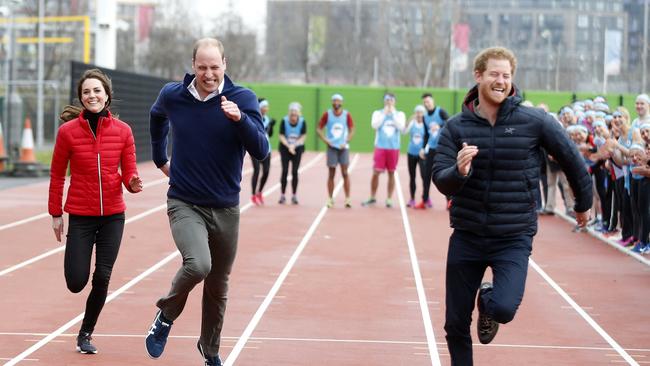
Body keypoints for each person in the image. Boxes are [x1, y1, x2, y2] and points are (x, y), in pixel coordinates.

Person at [432, 47, 592, 366]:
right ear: (478, 76)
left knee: (503, 308)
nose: (501, 81)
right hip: (467, 234)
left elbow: (571, 158)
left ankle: (487, 299)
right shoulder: (456, 127)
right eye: (494, 74)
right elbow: (440, 178)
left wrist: (583, 202)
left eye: (506, 75)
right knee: (455, 324)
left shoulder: (535, 121)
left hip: (513, 236)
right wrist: (459, 172)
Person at [146, 38, 269, 366]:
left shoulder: (242, 99)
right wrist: (160, 158)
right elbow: (156, 117)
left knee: (218, 284)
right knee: (199, 264)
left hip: (226, 208)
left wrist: (240, 119)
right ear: (193, 65)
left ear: (225, 65)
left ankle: (210, 350)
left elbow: (262, 150)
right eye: (202, 67)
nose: (209, 74)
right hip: (185, 202)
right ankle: (165, 316)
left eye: (215, 67)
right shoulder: (173, 95)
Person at [48, 69, 142, 354]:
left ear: (107, 95)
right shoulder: (67, 133)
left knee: (102, 276)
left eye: (97, 91)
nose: (92, 95)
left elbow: (129, 171)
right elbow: (56, 175)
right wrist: (55, 213)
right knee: (76, 282)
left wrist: (133, 183)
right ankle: (82, 309)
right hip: (81, 215)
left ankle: (85, 332)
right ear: (81, 97)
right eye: (87, 91)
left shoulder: (123, 131)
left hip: (113, 215)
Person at [361, 93, 406, 208]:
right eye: (387, 100)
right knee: (376, 172)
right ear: (384, 101)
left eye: (391, 100)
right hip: (380, 147)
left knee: (391, 173)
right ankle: (372, 196)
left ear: (394, 101)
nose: (389, 102)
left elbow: (401, 128)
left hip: (393, 148)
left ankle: (389, 198)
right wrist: (384, 114)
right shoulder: (377, 113)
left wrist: (393, 114)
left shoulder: (400, 114)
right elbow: (374, 125)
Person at [317, 93, 355, 208]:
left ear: (342, 102)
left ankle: (347, 198)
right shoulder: (327, 114)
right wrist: (326, 140)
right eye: (334, 101)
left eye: (338, 101)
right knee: (331, 173)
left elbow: (352, 129)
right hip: (332, 147)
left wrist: (347, 141)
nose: (336, 103)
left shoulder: (346, 115)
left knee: (345, 173)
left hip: (343, 148)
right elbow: (319, 129)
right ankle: (330, 198)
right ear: (332, 102)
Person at [419, 92, 449, 209]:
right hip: (431, 149)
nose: (427, 103)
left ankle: (449, 201)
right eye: (425, 102)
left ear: (433, 101)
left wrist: (440, 126)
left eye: (428, 101)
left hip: (442, 148)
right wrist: (422, 148)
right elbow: (426, 134)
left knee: (444, 176)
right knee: (426, 176)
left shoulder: (441, 111)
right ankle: (424, 200)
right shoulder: (425, 117)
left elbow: (450, 122)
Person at [278, 102, 307, 204]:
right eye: (292, 114)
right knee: (285, 171)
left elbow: (303, 136)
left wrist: (294, 146)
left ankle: (294, 195)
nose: (293, 116)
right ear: (289, 113)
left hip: (297, 148)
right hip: (285, 148)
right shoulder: (284, 121)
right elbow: (281, 135)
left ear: (299, 114)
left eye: (295, 114)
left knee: (295, 171)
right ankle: (282, 195)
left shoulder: (302, 122)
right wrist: (289, 146)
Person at [251, 98, 275, 205]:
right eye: (264, 106)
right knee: (256, 170)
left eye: (267, 107)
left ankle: (259, 192)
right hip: (255, 147)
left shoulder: (267, 119)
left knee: (266, 171)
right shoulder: (254, 118)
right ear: (259, 107)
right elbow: (256, 131)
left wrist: (272, 126)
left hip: (267, 148)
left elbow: (269, 135)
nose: (266, 109)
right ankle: (253, 194)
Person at [403, 104, 427, 208]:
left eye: (421, 112)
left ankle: (426, 198)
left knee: (424, 176)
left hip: (422, 155)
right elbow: (404, 132)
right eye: (417, 112)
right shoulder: (412, 123)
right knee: (412, 177)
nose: (419, 115)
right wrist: (408, 120)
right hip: (411, 153)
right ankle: (412, 198)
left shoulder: (426, 125)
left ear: (424, 114)